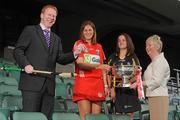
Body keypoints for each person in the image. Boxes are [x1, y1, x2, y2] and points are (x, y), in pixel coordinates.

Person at [13, 4, 84, 120]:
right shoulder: (30, 30)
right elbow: (18, 50)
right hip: (32, 84)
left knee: (47, 118)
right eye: (49, 15)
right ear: (41, 15)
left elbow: (60, 58)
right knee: (30, 118)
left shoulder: (56, 39)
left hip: (49, 87)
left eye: (54, 16)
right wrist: (25, 64)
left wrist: (75, 53)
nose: (51, 18)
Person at [72, 20, 110, 120]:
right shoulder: (78, 44)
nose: (88, 32)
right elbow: (80, 63)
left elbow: (103, 68)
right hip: (84, 84)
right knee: (85, 118)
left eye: (90, 30)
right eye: (85, 30)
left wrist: (105, 85)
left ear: (94, 32)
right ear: (82, 32)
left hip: (98, 85)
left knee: (95, 118)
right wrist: (97, 66)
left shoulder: (99, 47)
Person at [107, 33, 141, 119]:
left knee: (129, 116)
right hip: (117, 91)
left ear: (128, 42)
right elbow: (108, 75)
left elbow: (137, 73)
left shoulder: (133, 57)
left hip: (130, 91)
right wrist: (112, 89)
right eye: (119, 40)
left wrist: (130, 81)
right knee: (118, 115)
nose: (121, 42)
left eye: (123, 40)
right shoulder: (113, 57)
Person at [142, 35, 170, 120]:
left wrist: (140, 83)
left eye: (150, 45)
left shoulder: (161, 61)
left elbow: (156, 81)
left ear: (157, 47)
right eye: (146, 45)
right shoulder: (152, 63)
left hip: (159, 97)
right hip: (153, 97)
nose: (147, 47)